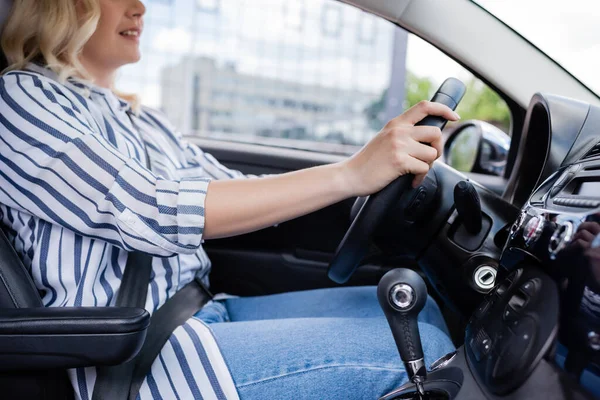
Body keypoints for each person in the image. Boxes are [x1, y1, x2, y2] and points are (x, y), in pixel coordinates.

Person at [0, 0, 457, 398]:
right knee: (426, 353)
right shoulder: (21, 98)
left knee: (420, 310)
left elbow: (235, 187)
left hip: (200, 310)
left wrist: (373, 170)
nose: (140, 7)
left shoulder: (139, 118)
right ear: (60, 6)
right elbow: (151, 210)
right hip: (136, 362)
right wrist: (350, 174)